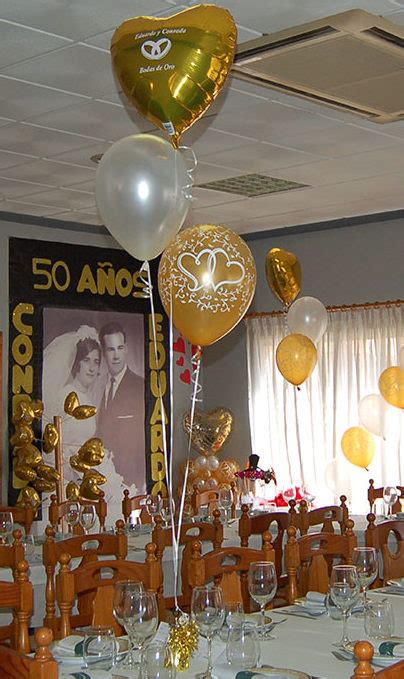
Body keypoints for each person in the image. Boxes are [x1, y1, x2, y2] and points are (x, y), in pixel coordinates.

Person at [42, 326, 102, 483]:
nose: (91, 368)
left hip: (82, 473)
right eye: (86, 360)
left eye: (96, 362)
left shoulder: (87, 400)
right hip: (65, 477)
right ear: (77, 363)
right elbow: (50, 442)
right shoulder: (64, 396)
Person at [96, 321, 145, 492]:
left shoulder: (140, 387)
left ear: (126, 349)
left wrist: (140, 485)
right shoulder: (99, 385)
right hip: (105, 482)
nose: (116, 355)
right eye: (110, 349)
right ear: (103, 352)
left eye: (120, 348)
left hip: (131, 484)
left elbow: (143, 440)